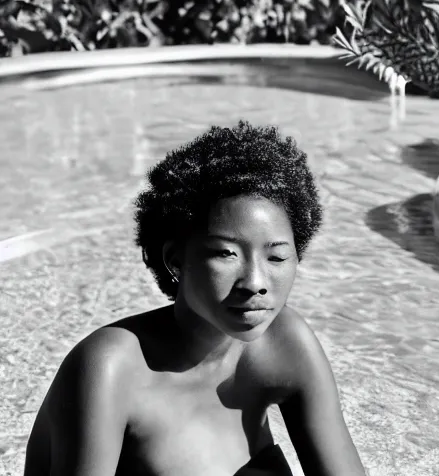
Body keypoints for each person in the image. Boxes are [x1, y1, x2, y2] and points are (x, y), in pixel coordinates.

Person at [24, 120, 366, 476]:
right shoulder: (111, 368)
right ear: (176, 259)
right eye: (226, 253)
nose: (256, 282)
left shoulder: (283, 343)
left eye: (277, 257)